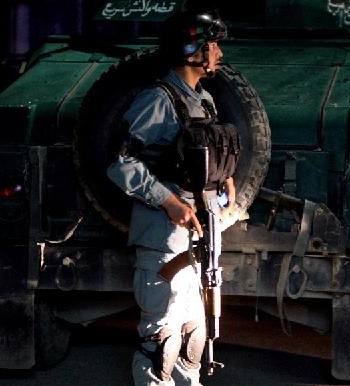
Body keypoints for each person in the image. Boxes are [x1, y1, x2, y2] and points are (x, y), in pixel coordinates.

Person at [107, 10, 236, 386]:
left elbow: (199, 155)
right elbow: (121, 163)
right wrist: (168, 201)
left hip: (200, 234)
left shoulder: (203, 101)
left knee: (193, 338)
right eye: (214, 45)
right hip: (164, 236)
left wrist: (223, 177)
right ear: (191, 49)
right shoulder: (158, 100)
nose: (219, 54)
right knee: (161, 340)